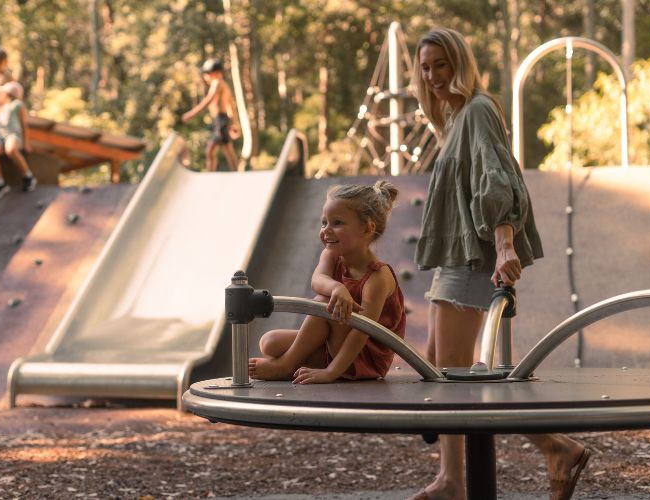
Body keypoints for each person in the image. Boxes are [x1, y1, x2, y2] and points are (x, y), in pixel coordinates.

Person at [409, 28, 590, 500]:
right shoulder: (453, 120)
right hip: (455, 256)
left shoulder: (478, 110)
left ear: (460, 63)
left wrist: (505, 244)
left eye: (440, 65)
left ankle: (552, 448)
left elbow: (497, 178)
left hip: (473, 256)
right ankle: (455, 476)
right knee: (439, 366)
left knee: (453, 374)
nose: (432, 76)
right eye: (425, 67)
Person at [249, 181, 405, 384]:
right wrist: (337, 287)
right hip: (336, 342)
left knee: (324, 301)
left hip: (363, 356)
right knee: (269, 343)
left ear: (367, 229)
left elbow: (361, 332)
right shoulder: (331, 256)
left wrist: (330, 373)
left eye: (337, 223)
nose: (326, 230)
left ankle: (286, 366)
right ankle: (300, 367)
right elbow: (318, 280)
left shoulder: (377, 278)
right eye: (324, 223)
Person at [181, 58, 239, 172]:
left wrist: (190, 114)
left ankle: (210, 174)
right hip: (221, 120)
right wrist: (233, 123)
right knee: (227, 150)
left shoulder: (217, 83)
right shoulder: (225, 85)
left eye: (207, 74)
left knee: (211, 150)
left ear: (217, 73)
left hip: (221, 120)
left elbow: (208, 100)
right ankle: (235, 172)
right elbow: (230, 107)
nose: (205, 76)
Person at [0, 81, 36, 201]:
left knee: (10, 149)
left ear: (9, 94)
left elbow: (24, 125)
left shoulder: (18, 105)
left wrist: (26, 142)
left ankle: (28, 176)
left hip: (13, 135)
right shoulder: (1, 108)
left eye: (3, 93)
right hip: (0, 136)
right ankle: (0, 184)